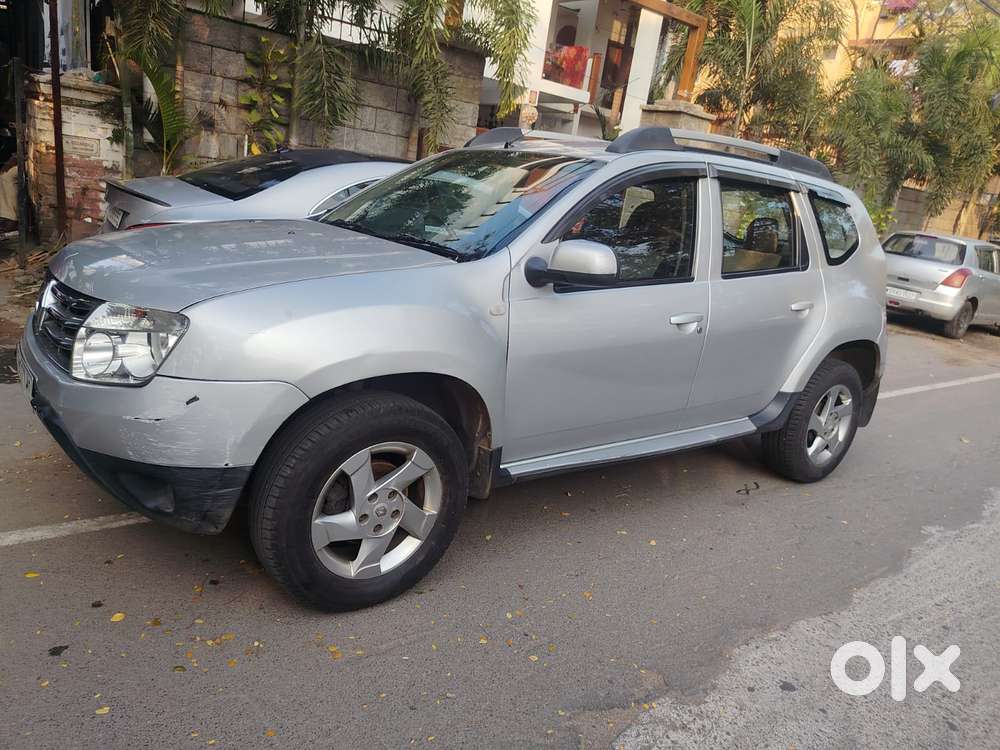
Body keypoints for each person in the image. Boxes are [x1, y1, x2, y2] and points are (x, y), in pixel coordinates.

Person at [0, 154, 18, 233]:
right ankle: (5, 215)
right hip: (16, 158)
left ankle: (12, 217)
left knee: (6, 177)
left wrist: (13, 161)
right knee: (3, 176)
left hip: (26, 161)